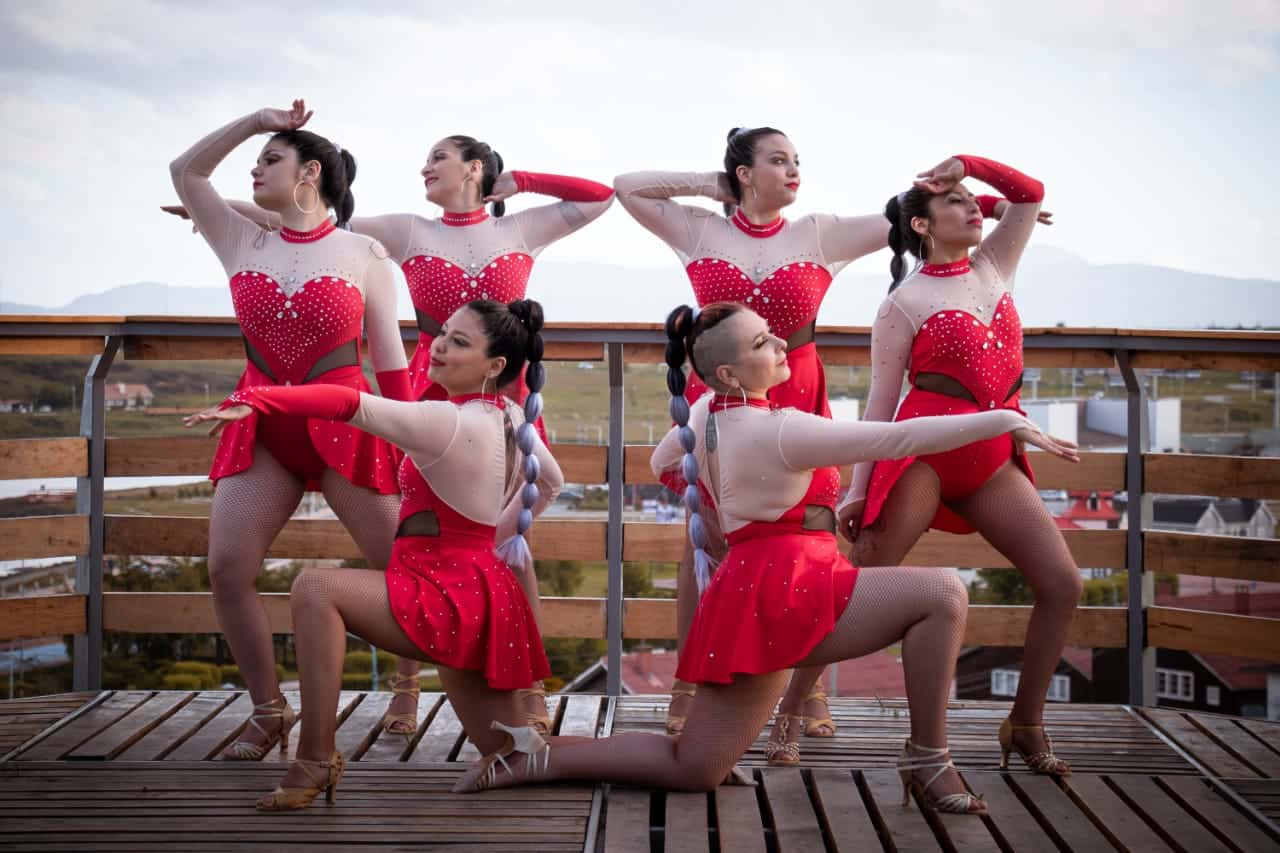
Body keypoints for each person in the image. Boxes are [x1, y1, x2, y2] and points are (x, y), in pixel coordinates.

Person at [452, 301, 1077, 814]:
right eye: (762, 343)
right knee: (943, 593)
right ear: (728, 373)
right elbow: (898, 437)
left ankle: (534, 754)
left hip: (760, 588)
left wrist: (722, 519)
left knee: (695, 766)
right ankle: (927, 760)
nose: (781, 344)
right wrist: (1003, 420)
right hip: (791, 591)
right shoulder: (778, 428)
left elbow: (662, 463)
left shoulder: (705, 412)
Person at [185, 299, 562, 811]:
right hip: (478, 593)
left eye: (459, 342)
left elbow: (347, 404)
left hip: (444, 600)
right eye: (442, 334)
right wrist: (492, 543)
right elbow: (552, 482)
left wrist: (259, 400)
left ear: (495, 366)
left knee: (315, 588)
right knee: (516, 752)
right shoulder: (511, 414)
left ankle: (315, 757)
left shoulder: (442, 422)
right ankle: (665, 763)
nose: (439, 347)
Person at [170, 100, 413, 758]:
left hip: (348, 426)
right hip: (261, 427)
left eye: (270, 159)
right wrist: (256, 121)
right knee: (227, 568)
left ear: (310, 173)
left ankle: (408, 681)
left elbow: (390, 363)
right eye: (255, 159)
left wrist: (417, 442)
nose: (254, 169)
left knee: (403, 567)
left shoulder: (365, 253)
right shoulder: (237, 238)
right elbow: (185, 173)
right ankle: (269, 708)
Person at [836, 154, 1075, 776]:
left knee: (1063, 585)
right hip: (925, 460)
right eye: (956, 202)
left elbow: (1028, 192)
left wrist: (967, 169)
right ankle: (788, 711)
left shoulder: (997, 263)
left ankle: (1025, 724)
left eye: (974, 201)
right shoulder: (904, 302)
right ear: (922, 225)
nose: (972, 207)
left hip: (994, 461)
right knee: (857, 579)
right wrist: (855, 492)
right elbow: (881, 403)